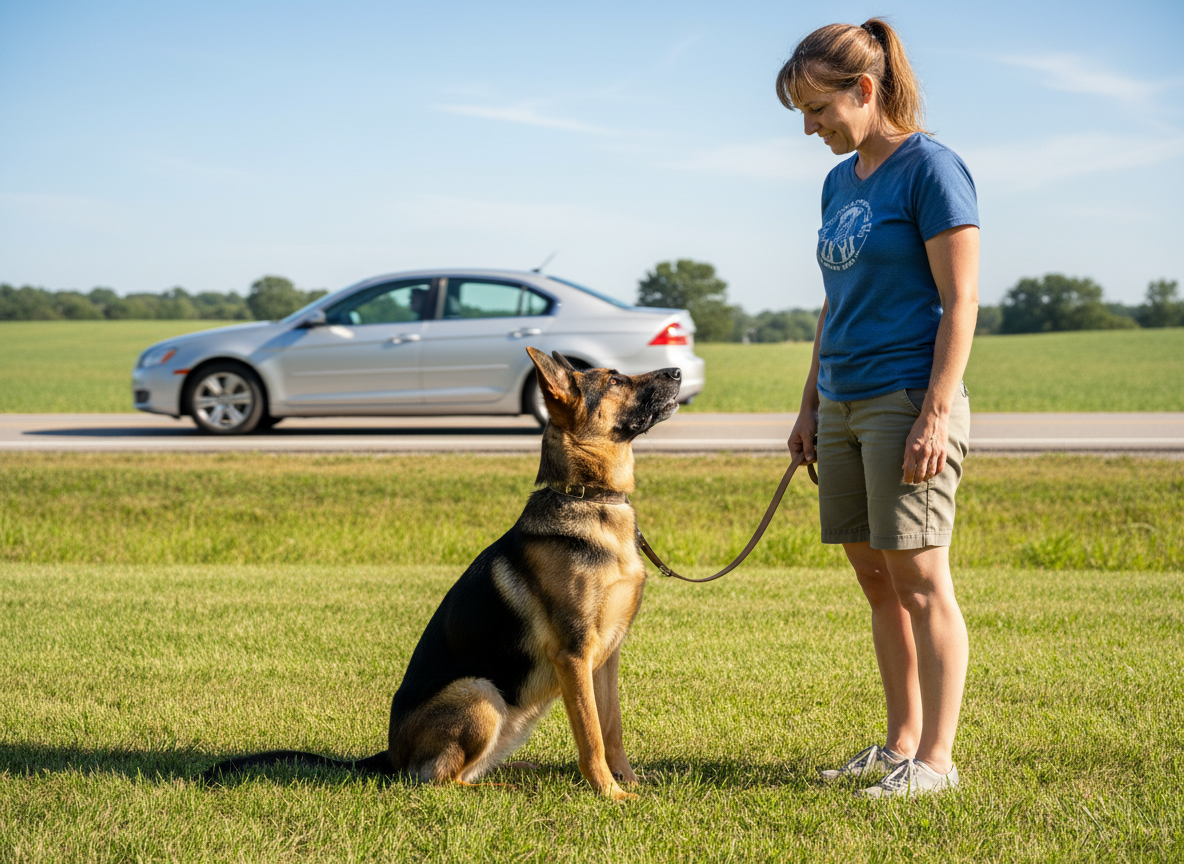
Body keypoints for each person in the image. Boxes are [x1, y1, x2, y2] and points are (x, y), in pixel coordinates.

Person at [778, 18, 979, 798]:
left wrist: (934, 412)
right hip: (842, 400)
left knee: (922, 580)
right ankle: (899, 744)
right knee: (876, 581)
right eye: (801, 113)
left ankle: (935, 760)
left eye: (817, 108)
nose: (810, 127)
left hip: (905, 397)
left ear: (864, 90)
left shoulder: (932, 169)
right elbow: (834, 305)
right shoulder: (837, 183)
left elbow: (960, 301)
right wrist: (807, 407)